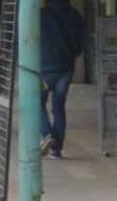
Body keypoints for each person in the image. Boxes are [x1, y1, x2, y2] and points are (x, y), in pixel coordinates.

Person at [38, 0, 85, 160]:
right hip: (66, 67)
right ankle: (56, 150)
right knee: (59, 106)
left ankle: (47, 135)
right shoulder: (75, 15)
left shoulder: (42, 16)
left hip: (45, 67)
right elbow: (81, 41)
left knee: (36, 102)